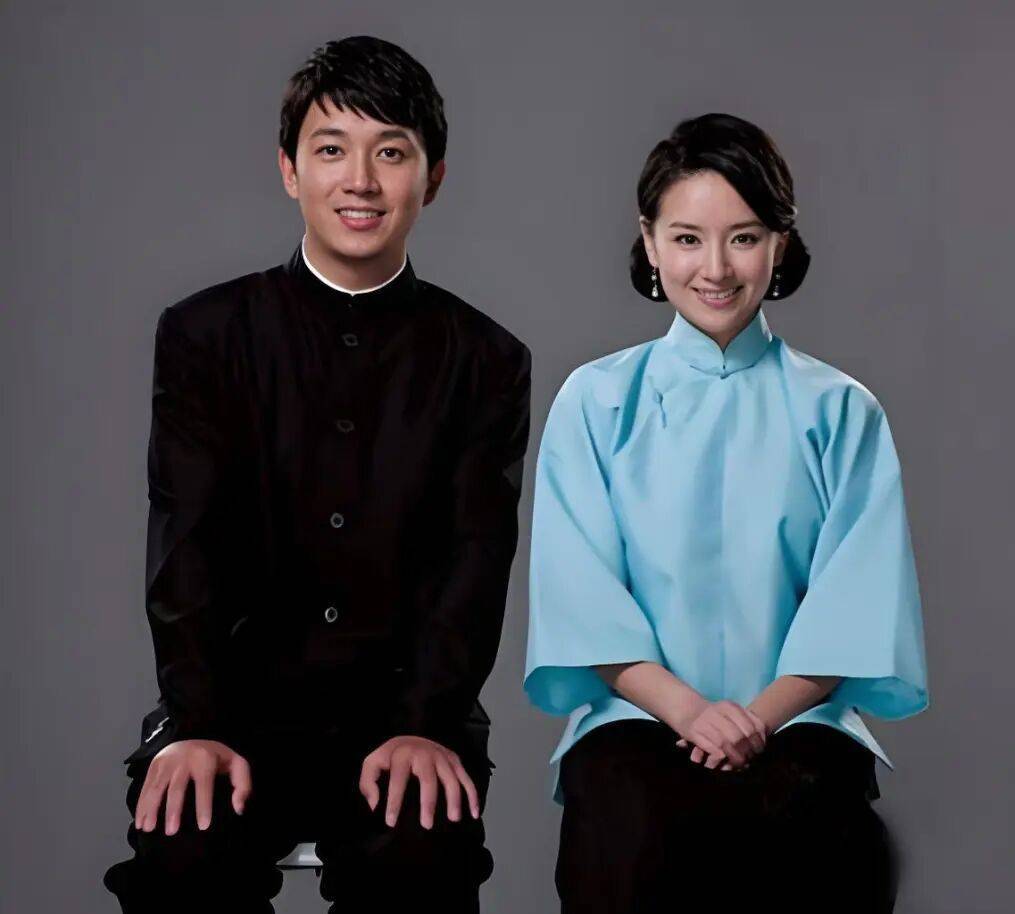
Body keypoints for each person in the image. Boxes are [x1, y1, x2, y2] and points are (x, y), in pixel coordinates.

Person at [103, 35, 531, 914]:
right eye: (332, 149)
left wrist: (426, 722)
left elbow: (475, 560)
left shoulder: (486, 358)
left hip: (407, 712)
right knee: (182, 866)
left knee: (419, 870)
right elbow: (183, 542)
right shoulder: (205, 334)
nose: (360, 181)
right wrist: (195, 723)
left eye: (391, 153)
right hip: (232, 707)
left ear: (433, 177)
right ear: (290, 170)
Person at [524, 113, 928, 913]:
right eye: (687, 238)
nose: (715, 268)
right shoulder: (595, 401)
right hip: (634, 719)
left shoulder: (842, 411)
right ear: (649, 241)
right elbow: (582, 599)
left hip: (800, 723)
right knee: (632, 838)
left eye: (743, 238)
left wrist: (754, 720)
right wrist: (691, 713)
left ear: (780, 243)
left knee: (819, 837)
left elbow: (854, 606)